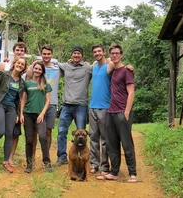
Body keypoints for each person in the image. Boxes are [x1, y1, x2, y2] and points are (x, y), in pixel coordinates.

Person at [54, 45, 92, 167]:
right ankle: (62, 157)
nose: (76, 55)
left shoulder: (87, 68)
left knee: (82, 135)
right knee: (61, 132)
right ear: (71, 55)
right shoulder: (66, 66)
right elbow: (52, 61)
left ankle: (81, 158)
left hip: (81, 106)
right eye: (74, 53)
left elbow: (101, 64)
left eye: (78, 54)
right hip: (66, 105)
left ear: (82, 56)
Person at [104, 44, 137, 183]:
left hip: (122, 112)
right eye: (112, 53)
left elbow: (131, 92)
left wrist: (127, 111)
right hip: (111, 111)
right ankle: (114, 172)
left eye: (117, 53)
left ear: (122, 55)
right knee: (112, 144)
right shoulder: (113, 71)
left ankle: (132, 173)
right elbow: (101, 60)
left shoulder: (127, 71)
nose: (114, 55)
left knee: (126, 142)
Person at [20, 62, 53, 173]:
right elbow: (23, 99)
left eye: (40, 69)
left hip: (40, 115)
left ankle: (47, 162)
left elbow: (48, 100)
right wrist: (21, 114)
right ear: (33, 69)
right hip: (28, 114)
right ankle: (29, 164)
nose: (37, 71)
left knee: (43, 137)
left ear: (42, 71)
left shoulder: (45, 84)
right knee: (29, 139)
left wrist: (42, 113)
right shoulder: (27, 83)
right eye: (36, 68)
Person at [88, 44, 114, 176]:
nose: (97, 53)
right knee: (93, 137)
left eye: (99, 51)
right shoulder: (94, 67)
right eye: (95, 52)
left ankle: (105, 166)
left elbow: (119, 66)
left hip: (105, 107)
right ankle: (94, 164)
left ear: (104, 52)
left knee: (105, 139)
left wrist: (129, 66)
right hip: (92, 106)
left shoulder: (109, 66)